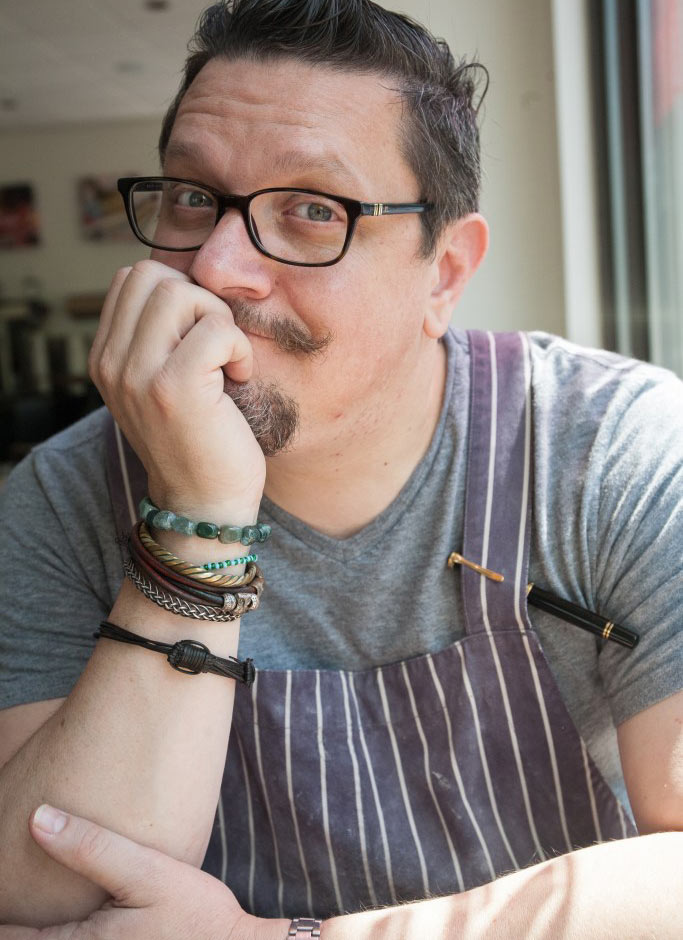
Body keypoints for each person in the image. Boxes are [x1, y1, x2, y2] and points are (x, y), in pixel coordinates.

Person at [0, 0, 681, 936]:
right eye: (192, 197)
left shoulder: (612, 448)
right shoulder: (63, 495)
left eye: (313, 210)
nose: (218, 267)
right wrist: (195, 519)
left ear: (444, 272)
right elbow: (46, 895)